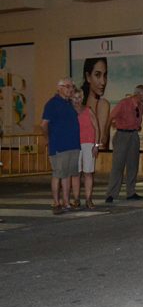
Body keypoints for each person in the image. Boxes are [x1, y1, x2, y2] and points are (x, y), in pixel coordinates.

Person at [41, 78, 81, 215]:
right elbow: (44, 124)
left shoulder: (69, 104)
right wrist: (48, 139)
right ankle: (56, 202)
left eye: (72, 86)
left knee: (67, 175)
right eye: (68, 86)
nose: (71, 89)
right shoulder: (52, 104)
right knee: (58, 174)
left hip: (73, 145)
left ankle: (66, 202)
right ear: (60, 88)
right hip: (59, 145)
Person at [105, 85, 143, 203]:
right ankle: (111, 194)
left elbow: (137, 121)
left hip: (133, 135)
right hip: (122, 135)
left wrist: (137, 126)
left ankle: (131, 192)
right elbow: (111, 117)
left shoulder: (141, 107)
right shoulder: (124, 103)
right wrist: (105, 134)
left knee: (133, 165)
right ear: (140, 94)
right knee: (118, 165)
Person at [72, 87, 98, 209]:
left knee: (88, 172)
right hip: (74, 144)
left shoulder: (88, 110)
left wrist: (96, 145)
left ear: (82, 98)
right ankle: (76, 199)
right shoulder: (69, 112)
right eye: (74, 97)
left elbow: (97, 128)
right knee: (76, 173)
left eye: (79, 97)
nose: (77, 100)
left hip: (88, 143)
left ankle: (88, 199)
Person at [81, 57, 110, 152]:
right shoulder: (80, 105)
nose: (103, 82)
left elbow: (101, 142)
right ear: (88, 77)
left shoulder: (102, 105)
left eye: (105, 75)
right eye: (97, 75)